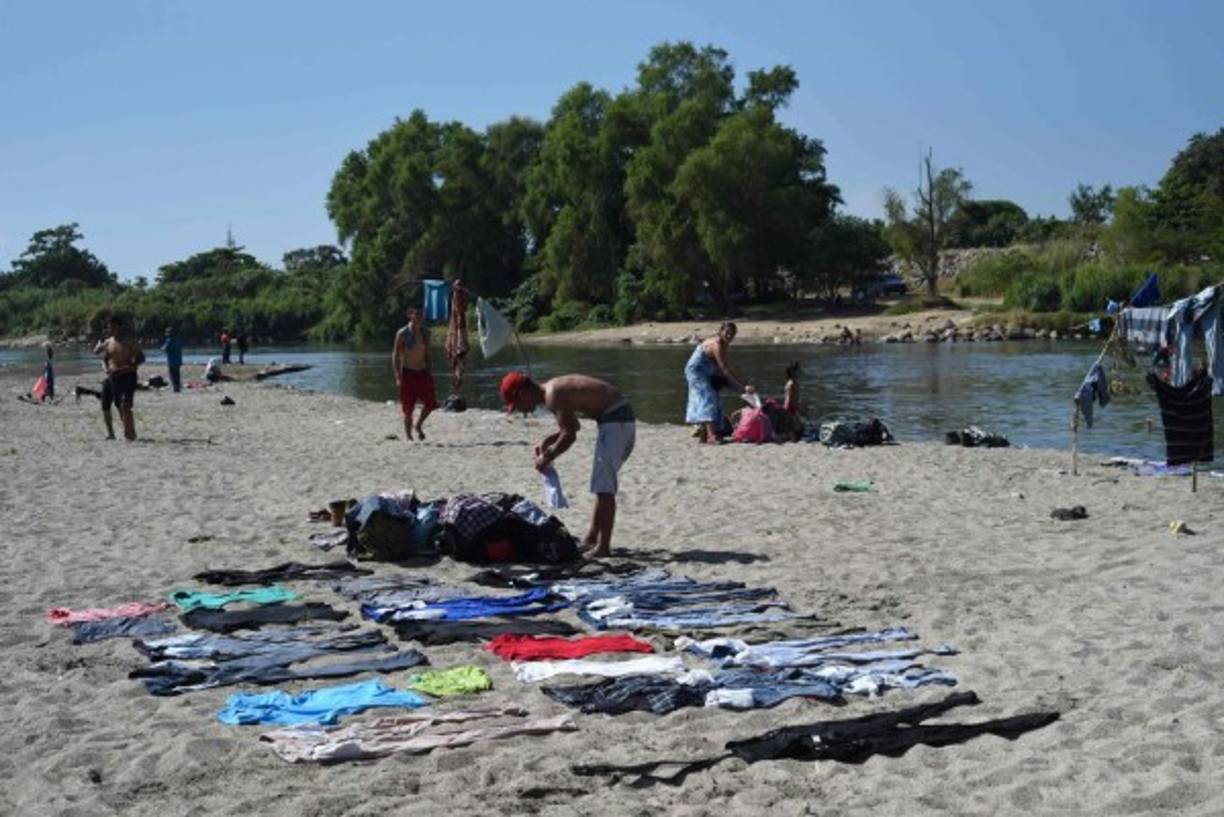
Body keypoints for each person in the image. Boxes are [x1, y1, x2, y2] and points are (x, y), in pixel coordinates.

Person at [501, 371, 634, 557]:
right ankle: (591, 539)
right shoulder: (552, 391)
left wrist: (547, 457)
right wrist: (549, 441)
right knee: (600, 486)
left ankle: (604, 547)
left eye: (517, 405)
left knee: (604, 488)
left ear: (523, 394)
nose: (520, 411)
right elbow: (573, 426)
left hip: (617, 420)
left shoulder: (553, 395)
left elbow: (569, 436)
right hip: (615, 419)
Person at [684, 321, 753, 443]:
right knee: (708, 398)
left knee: (714, 396)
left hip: (707, 371)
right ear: (721, 332)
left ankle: (704, 430)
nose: (729, 336)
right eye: (727, 333)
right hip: (696, 371)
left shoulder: (723, 345)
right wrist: (742, 387)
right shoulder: (717, 344)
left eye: (732, 334)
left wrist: (742, 386)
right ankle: (711, 436)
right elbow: (724, 369)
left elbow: (726, 369)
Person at [94, 316, 144, 441]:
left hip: (128, 375)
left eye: (114, 327)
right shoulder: (108, 342)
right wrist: (106, 369)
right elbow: (98, 354)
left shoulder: (129, 341)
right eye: (109, 327)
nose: (111, 329)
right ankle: (126, 430)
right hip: (114, 377)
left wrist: (130, 366)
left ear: (120, 327)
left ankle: (130, 432)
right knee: (118, 404)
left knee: (125, 404)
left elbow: (141, 357)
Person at [393, 307, 437, 441]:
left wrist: (430, 371)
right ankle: (409, 436)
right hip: (408, 372)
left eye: (421, 314)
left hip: (422, 371)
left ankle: (418, 425)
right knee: (408, 407)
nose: (419, 317)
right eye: (416, 314)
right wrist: (397, 376)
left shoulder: (425, 332)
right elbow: (395, 355)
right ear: (410, 315)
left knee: (431, 403)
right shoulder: (402, 333)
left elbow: (428, 354)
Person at [162, 327, 183, 393]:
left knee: (172, 375)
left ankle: (175, 388)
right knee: (177, 375)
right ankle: (178, 388)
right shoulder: (178, 340)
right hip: (178, 360)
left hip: (172, 361)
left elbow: (165, 348)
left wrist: (162, 348)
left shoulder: (169, 340)